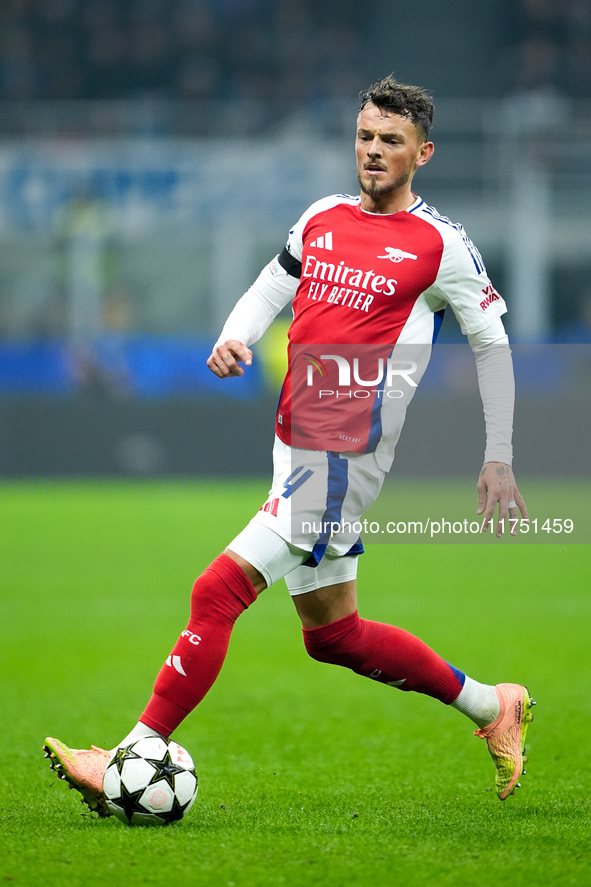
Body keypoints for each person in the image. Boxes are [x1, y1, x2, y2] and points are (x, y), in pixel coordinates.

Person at [43, 75, 535, 814]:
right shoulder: (323, 215)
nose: (372, 151)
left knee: (217, 589)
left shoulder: (441, 247)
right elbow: (274, 283)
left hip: (340, 456)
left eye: (390, 141)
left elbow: (492, 347)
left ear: (422, 153)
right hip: (294, 439)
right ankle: (492, 703)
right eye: (365, 137)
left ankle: (125, 754)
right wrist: (234, 334)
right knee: (333, 635)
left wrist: (497, 451)